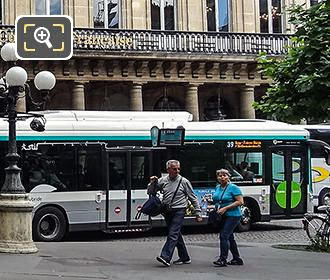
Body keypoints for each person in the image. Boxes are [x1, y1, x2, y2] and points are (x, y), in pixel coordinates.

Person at [149, 159, 202, 267]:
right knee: (176, 234)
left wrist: (198, 213)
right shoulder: (162, 180)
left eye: (178, 169)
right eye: (174, 169)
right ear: (168, 169)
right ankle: (184, 257)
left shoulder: (184, 181)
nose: (177, 171)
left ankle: (165, 257)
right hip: (167, 210)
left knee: (173, 233)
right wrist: (152, 183)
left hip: (180, 210)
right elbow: (150, 192)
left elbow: (193, 198)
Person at [212, 168, 244, 267]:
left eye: (224, 175)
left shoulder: (234, 188)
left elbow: (240, 201)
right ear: (217, 178)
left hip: (233, 215)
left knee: (224, 235)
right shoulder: (218, 187)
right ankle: (237, 258)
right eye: (220, 175)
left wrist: (225, 208)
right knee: (230, 237)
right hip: (222, 215)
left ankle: (223, 259)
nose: (222, 177)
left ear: (228, 176)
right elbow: (218, 199)